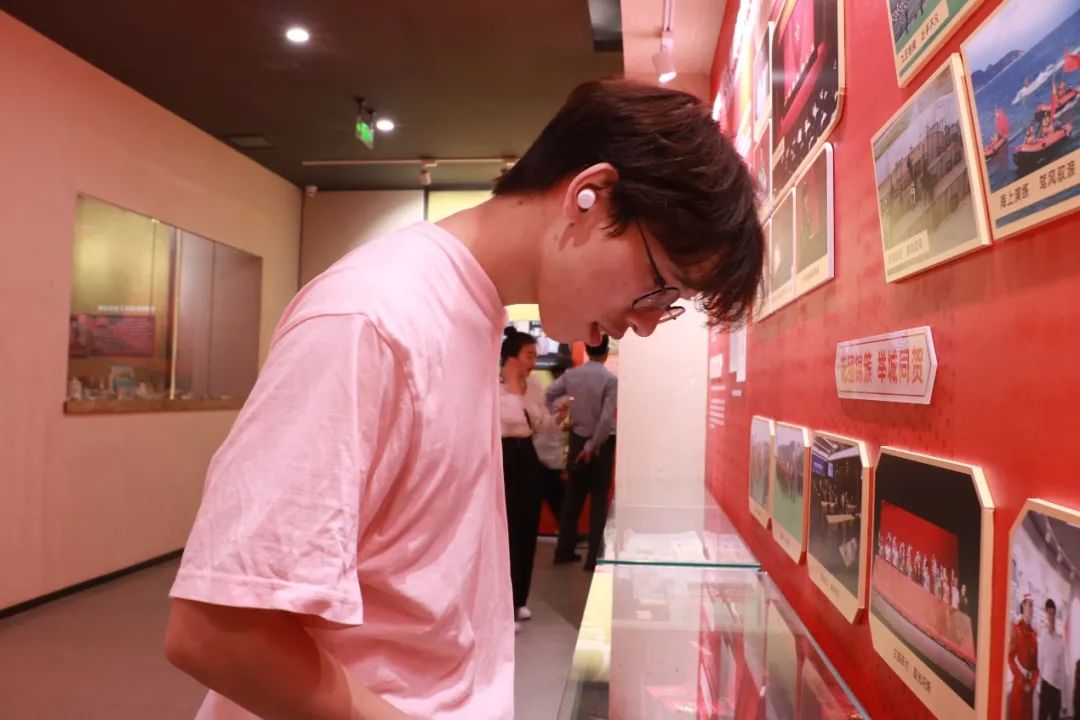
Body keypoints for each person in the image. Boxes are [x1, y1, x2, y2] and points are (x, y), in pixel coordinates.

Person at [163, 77, 763, 720]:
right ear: (590, 196)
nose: (644, 324)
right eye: (660, 289)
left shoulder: (469, 314)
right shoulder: (373, 316)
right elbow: (219, 633)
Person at [498, 327, 566, 632]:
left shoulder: (534, 385)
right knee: (505, 533)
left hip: (526, 456)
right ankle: (503, 606)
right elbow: (505, 419)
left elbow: (540, 425)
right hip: (501, 457)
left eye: (535, 356)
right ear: (511, 358)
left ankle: (519, 598)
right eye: (528, 355)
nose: (533, 362)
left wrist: (558, 417)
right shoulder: (494, 386)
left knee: (527, 530)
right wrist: (514, 388)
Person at [547, 335, 618, 571]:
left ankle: (563, 551)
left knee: (572, 499)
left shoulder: (572, 375)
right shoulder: (610, 379)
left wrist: (556, 415)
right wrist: (592, 446)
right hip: (602, 444)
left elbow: (549, 394)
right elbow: (606, 419)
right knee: (598, 501)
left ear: (587, 349)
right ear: (606, 353)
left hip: (577, 439)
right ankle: (593, 559)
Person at [1009, 594, 1040, 720]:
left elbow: (1037, 667)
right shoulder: (1016, 630)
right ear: (1023, 606)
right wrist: (1021, 682)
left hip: (1029, 692)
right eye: (1029, 605)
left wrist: (1032, 683)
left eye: (1033, 606)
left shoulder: (1034, 635)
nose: (1031, 609)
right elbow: (1010, 658)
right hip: (1018, 688)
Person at [1039, 598, 1066, 720]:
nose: (1051, 617)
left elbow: (1063, 670)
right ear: (1046, 615)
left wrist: (1064, 700)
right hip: (1045, 685)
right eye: (1049, 613)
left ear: (1055, 615)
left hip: (1057, 689)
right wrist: (1039, 687)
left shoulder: (1060, 641)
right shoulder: (1043, 638)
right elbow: (1040, 664)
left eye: (1053, 613)